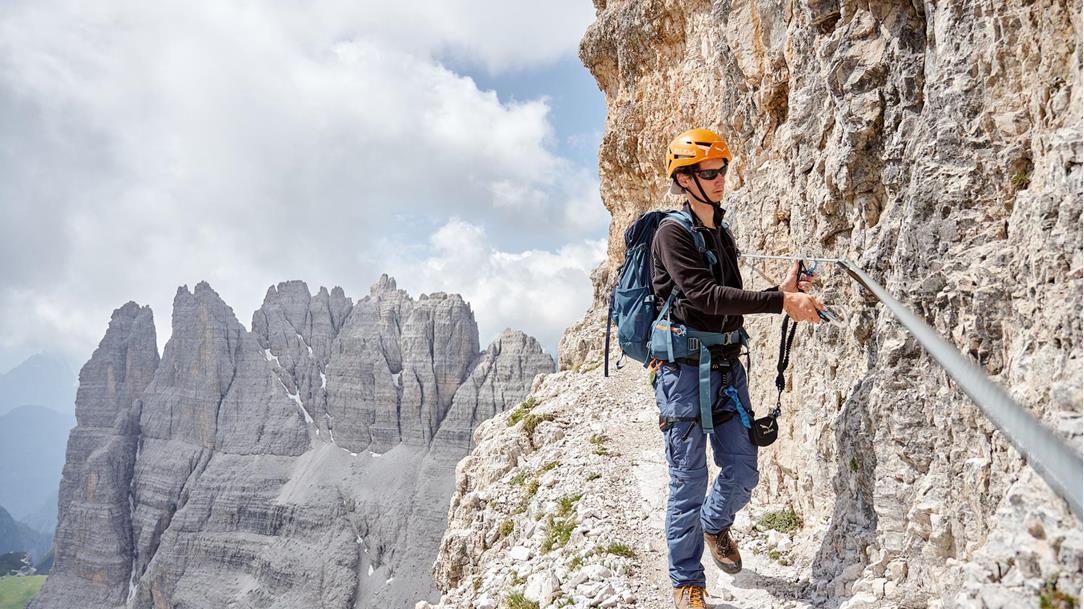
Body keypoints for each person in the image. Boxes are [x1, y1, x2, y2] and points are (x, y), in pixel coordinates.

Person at [651, 128, 825, 609]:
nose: (720, 178)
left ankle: (714, 524)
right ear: (684, 180)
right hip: (683, 374)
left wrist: (782, 290)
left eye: (723, 169)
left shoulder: (720, 233)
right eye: (709, 171)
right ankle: (688, 582)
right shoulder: (671, 234)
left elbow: (729, 302)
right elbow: (704, 297)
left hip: (726, 368)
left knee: (744, 469)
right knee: (688, 480)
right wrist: (781, 303)